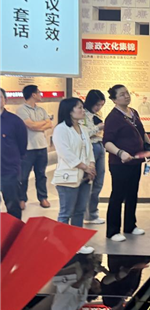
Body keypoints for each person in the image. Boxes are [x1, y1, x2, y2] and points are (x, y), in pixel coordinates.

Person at [103, 85, 150, 242]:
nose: (126, 96)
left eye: (127, 93)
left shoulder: (133, 112)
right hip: (119, 163)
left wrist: (149, 146)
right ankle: (113, 230)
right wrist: (120, 153)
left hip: (135, 161)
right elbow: (107, 142)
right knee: (118, 195)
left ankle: (130, 225)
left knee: (132, 193)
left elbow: (142, 132)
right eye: (121, 94)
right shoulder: (113, 118)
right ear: (114, 99)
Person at [52, 97, 97, 254]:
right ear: (70, 111)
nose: (83, 110)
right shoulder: (61, 129)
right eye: (79, 107)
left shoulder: (83, 128)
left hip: (84, 176)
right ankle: (61, 245)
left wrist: (91, 165)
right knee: (66, 213)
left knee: (79, 211)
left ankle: (77, 244)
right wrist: (85, 167)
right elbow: (65, 153)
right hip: (68, 177)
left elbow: (89, 150)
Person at [17, 84, 53, 209]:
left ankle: (43, 198)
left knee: (41, 175)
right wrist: (42, 124)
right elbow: (31, 125)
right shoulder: (21, 110)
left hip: (42, 147)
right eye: (39, 92)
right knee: (23, 176)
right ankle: (21, 199)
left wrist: (38, 125)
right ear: (33, 94)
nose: (40, 94)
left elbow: (49, 124)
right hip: (27, 148)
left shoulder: (41, 110)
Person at [0, 88, 28, 219]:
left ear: (5, 100)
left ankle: (15, 231)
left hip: (9, 171)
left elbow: (22, 145)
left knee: (13, 206)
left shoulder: (15, 121)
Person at [82, 90, 107, 225]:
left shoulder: (98, 114)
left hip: (100, 145)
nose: (99, 108)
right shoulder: (82, 114)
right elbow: (83, 133)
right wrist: (98, 127)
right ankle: (87, 214)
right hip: (89, 147)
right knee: (88, 180)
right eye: (97, 105)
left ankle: (92, 213)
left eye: (101, 105)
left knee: (99, 182)